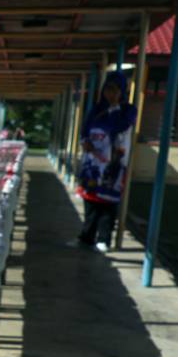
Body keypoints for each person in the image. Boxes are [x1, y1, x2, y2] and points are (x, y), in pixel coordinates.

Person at [77, 71, 136, 252]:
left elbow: (119, 127)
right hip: (93, 164)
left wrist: (113, 108)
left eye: (115, 90)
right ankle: (86, 237)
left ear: (122, 91)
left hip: (113, 164)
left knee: (107, 203)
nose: (110, 94)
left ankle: (104, 238)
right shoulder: (95, 110)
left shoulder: (127, 111)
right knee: (91, 202)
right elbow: (85, 130)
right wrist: (85, 141)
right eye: (107, 90)